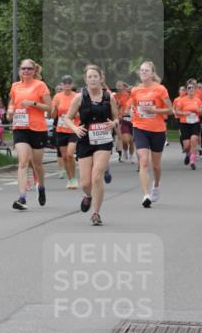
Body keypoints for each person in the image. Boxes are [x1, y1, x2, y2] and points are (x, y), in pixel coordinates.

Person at [61, 64, 118, 226]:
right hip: (85, 139)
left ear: (101, 79)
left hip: (104, 140)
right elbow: (67, 117)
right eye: (90, 77)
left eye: (95, 76)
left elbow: (117, 117)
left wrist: (114, 124)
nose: (93, 79)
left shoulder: (109, 97)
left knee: (97, 176)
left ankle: (96, 213)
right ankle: (88, 195)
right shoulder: (79, 97)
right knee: (86, 183)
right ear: (85, 80)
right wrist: (74, 128)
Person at [7, 59, 52, 211]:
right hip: (20, 127)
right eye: (23, 68)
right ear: (19, 71)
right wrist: (10, 111)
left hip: (38, 129)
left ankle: (42, 187)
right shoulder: (15, 86)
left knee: (37, 164)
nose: (25, 71)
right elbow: (12, 103)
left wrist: (33, 104)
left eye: (29, 69)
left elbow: (50, 108)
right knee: (23, 162)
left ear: (34, 71)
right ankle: (22, 197)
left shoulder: (40, 85)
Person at [127, 61, 172, 207]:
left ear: (152, 73)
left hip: (158, 130)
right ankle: (146, 195)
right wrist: (132, 113)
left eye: (146, 70)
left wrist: (155, 111)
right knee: (144, 161)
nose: (143, 72)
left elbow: (170, 110)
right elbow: (133, 107)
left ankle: (156, 186)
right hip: (140, 128)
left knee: (156, 165)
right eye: (141, 70)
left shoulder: (160, 89)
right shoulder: (135, 90)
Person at [51, 76, 79, 188]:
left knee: (70, 153)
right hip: (61, 129)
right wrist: (55, 108)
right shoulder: (57, 96)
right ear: (62, 85)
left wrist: (75, 114)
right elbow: (53, 115)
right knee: (65, 157)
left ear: (72, 85)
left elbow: (82, 113)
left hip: (73, 128)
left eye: (69, 83)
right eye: (65, 83)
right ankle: (71, 179)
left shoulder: (76, 96)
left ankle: (74, 178)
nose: (67, 85)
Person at [174, 79, 202, 170]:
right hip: (184, 123)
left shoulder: (198, 100)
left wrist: (200, 112)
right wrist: (184, 113)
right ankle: (188, 155)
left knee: (194, 140)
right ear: (186, 90)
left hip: (195, 123)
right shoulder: (181, 100)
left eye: (192, 88)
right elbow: (177, 111)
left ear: (194, 90)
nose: (191, 89)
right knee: (187, 145)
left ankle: (192, 161)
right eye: (189, 88)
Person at [115, 81, 134, 163]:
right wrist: (119, 114)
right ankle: (125, 151)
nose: (130, 92)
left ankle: (131, 157)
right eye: (129, 90)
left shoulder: (137, 98)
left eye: (131, 91)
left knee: (131, 141)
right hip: (125, 120)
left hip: (134, 122)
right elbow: (118, 107)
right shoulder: (123, 97)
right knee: (125, 140)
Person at [171, 85, 187, 155]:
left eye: (184, 90)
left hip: (186, 118)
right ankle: (183, 147)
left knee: (186, 133)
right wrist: (174, 112)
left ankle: (187, 146)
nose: (182, 91)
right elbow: (173, 108)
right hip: (178, 118)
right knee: (181, 133)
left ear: (186, 91)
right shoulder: (176, 99)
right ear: (179, 91)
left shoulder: (187, 99)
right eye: (181, 90)